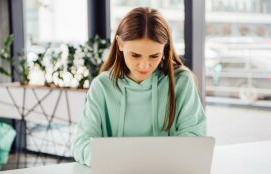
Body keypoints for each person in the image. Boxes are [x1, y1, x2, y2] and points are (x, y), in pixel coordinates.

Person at [71, 7, 206, 166]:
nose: (144, 65)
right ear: (120, 44)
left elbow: (194, 137)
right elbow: (81, 143)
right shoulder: (102, 86)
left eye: (154, 56)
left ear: (164, 49)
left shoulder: (182, 82)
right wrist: (114, 161)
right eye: (135, 55)